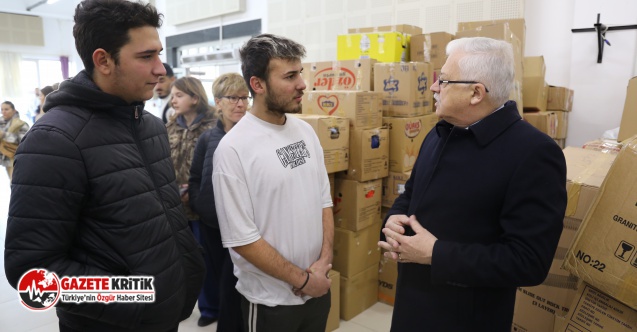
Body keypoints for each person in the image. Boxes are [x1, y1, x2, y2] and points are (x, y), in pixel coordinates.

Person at [3, 1, 205, 331]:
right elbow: (32, 273)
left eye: (159, 54)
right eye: (146, 57)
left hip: (165, 317)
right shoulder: (54, 140)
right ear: (103, 60)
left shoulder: (151, 126)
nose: (161, 70)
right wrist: (140, 298)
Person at [377, 36, 567, 331]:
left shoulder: (534, 153)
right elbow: (411, 194)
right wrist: (393, 220)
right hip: (411, 307)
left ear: (476, 93)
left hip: (467, 318)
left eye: (443, 80)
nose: (433, 87)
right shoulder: (440, 132)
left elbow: (529, 261)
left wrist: (436, 254)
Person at [212, 34, 333, 332]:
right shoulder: (233, 149)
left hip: (318, 288)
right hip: (270, 302)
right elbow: (242, 239)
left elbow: (324, 201)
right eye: (290, 76)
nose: (302, 84)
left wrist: (323, 263)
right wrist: (302, 280)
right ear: (258, 85)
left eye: (300, 73)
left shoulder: (306, 132)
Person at [189, 73, 250, 332]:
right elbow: (195, 178)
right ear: (218, 102)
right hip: (212, 225)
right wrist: (201, 206)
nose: (240, 104)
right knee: (218, 278)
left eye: (244, 98)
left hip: (245, 227)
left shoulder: (253, 137)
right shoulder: (207, 139)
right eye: (233, 98)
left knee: (234, 283)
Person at [165, 76, 218, 327]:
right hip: (175, 204)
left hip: (200, 205)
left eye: (178, 95)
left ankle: (210, 308)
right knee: (179, 259)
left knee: (203, 259)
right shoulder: (170, 125)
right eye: (172, 95)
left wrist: (193, 190)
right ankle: (182, 303)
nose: (172, 100)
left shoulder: (213, 126)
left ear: (195, 98)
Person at [0, 101, 29, 180]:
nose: (3, 112)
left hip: (17, 157)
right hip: (4, 157)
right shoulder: (1, 122)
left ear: (14, 110)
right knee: (12, 180)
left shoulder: (21, 124)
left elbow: (24, 141)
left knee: (15, 182)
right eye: (2, 109)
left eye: (6, 109)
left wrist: (4, 135)